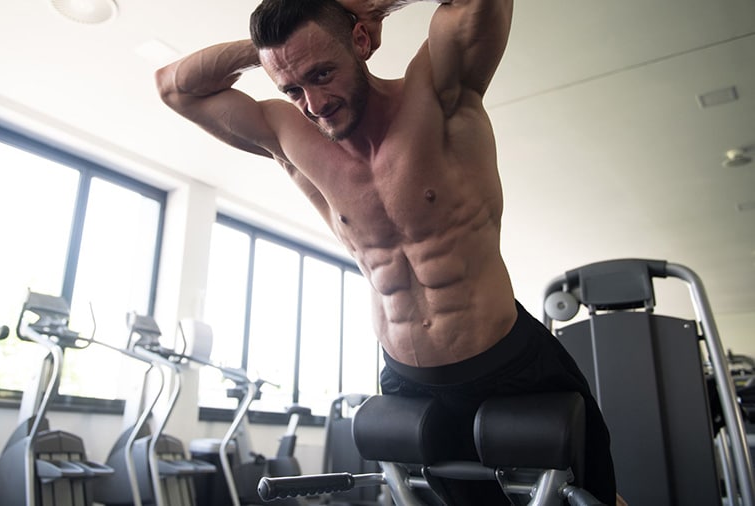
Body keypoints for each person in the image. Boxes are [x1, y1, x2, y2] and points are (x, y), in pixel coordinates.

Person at [155, 0, 617, 504]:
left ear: (360, 41)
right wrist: (272, 51)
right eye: (292, 88)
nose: (313, 102)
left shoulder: (437, 93)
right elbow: (174, 87)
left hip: (510, 369)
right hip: (407, 384)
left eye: (322, 72)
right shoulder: (290, 136)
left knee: (592, 498)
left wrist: (361, 6)